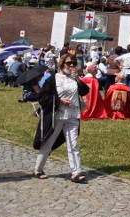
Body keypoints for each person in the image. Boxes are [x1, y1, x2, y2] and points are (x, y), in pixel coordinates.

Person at [33, 52, 90, 182]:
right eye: (69, 63)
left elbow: (85, 90)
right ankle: (38, 169)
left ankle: (76, 172)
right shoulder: (53, 79)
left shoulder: (74, 78)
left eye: (74, 63)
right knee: (48, 142)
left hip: (73, 115)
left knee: (73, 144)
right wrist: (59, 100)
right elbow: (42, 97)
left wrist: (77, 79)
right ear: (62, 64)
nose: (71, 65)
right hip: (57, 116)